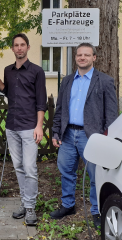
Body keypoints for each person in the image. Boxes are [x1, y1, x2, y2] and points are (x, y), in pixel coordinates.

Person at [50, 43, 118, 229]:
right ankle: (68, 205)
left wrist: (106, 139)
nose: (82, 58)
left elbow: (112, 115)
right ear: (76, 57)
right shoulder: (67, 81)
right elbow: (60, 109)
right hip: (68, 133)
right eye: (79, 55)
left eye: (86, 55)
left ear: (94, 57)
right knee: (66, 172)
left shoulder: (104, 81)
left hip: (92, 137)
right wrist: (56, 131)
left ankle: (96, 211)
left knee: (95, 176)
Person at [0, 33, 47, 226]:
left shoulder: (37, 71)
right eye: (16, 45)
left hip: (30, 127)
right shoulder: (8, 70)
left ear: (28, 48)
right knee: (19, 168)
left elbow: (41, 101)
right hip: (12, 127)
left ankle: (31, 208)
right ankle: (25, 203)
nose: (19, 48)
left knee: (30, 168)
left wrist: (39, 126)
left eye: (23, 45)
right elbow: (6, 92)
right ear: (12, 49)